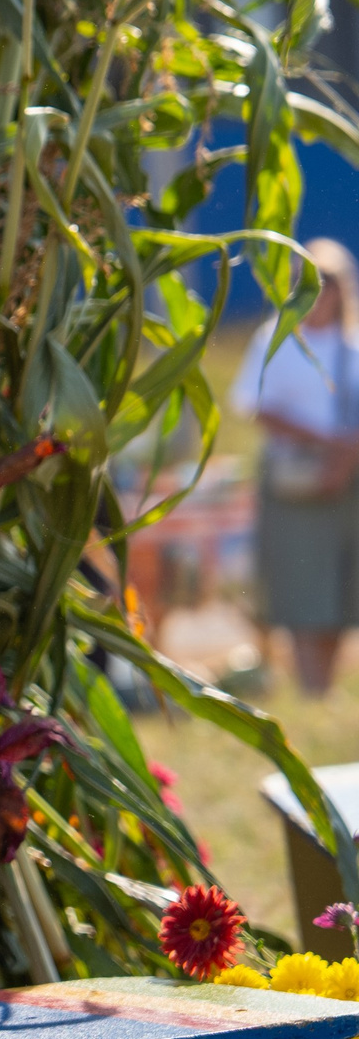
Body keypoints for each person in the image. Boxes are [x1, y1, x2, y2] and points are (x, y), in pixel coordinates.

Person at [232, 239, 359, 696]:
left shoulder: (354, 343)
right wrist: (326, 443)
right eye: (312, 282)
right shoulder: (275, 339)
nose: (322, 292)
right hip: (295, 482)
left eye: (330, 283)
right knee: (303, 592)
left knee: (344, 593)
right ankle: (312, 691)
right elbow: (254, 405)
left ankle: (324, 688)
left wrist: (346, 458)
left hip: (349, 484)